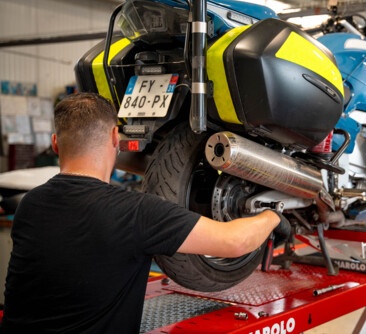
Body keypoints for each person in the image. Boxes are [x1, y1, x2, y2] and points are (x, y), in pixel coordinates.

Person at [0, 92, 287, 333]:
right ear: (116, 137)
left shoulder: (30, 205)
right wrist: (274, 214)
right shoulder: (134, 212)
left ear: (54, 143)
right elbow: (234, 242)